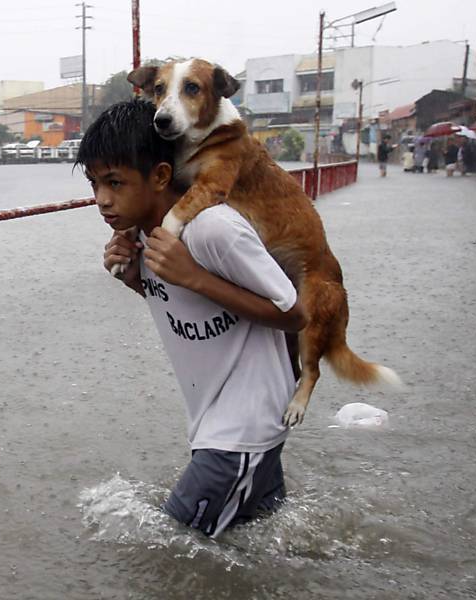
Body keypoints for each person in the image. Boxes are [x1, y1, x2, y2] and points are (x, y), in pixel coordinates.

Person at [76, 99, 307, 538]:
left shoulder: (212, 228)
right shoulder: (145, 234)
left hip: (240, 429)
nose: (102, 200)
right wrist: (133, 278)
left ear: (161, 175)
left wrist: (195, 276)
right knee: (260, 548)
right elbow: (187, 306)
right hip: (224, 423)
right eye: (94, 184)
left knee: (172, 549)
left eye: (115, 182)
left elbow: (294, 313)